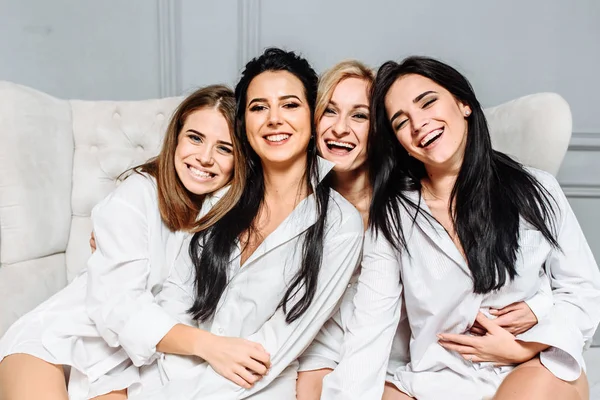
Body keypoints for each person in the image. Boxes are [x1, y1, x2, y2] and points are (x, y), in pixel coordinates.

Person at [323, 56, 600, 400]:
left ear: (462, 103)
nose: (419, 124)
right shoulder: (394, 214)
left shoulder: (535, 188)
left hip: (535, 364)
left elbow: (583, 291)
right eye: (401, 121)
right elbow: (371, 322)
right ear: (398, 140)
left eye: (428, 102)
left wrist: (525, 347)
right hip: (436, 378)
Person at [131, 47, 364, 400]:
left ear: (313, 120)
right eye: (259, 107)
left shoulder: (340, 225)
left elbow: (280, 342)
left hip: (254, 386)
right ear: (244, 124)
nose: (274, 119)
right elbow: (174, 298)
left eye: (290, 105)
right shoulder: (220, 197)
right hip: (169, 370)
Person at [0, 85, 249, 400]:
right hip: (60, 333)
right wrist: (212, 348)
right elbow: (120, 308)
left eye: (225, 148)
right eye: (195, 138)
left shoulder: (223, 213)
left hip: (121, 361)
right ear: (177, 136)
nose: (205, 157)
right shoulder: (137, 193)